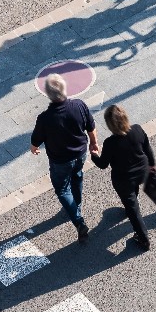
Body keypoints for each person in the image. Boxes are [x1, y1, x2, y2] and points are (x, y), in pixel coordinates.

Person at [30, 74, 97, 243]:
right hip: (80, 153)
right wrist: (94, 144)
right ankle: (77, 206)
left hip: (60, 161)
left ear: (47, 94)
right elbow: (91, 126)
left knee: (62, 189)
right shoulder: (79, 105)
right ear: (65, 89)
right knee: (77, 176)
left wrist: (34, 147)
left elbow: (36, 139)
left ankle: (78, 221)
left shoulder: (44, 118)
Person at [90, 105, 156, 251]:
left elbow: (103, 164)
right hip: (142, 172)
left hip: (124, 179)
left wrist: (94, 155)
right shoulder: (137, 129)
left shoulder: (110, 143)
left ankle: (143, 238)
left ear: (110, 125)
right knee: (134, 191)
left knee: (133, 209)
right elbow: (147, 148)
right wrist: (152, 165)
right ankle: (131, 206)